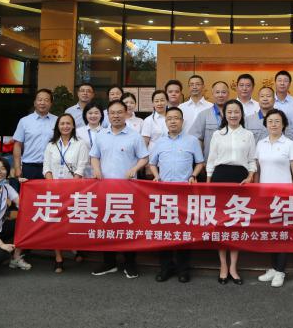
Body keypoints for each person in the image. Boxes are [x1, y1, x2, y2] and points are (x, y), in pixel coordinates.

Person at [90, 100, 149, 279]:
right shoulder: (101, 135)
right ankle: (109, 262)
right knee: (106, 225)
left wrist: (134, 169)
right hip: (105, 188)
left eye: (119, 112)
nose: (116, 116)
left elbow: (144, 157)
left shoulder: (134, 136)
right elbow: (94, 156)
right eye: (112, 113)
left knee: (128, 225)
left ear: (126, 113)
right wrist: (97, 169)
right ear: (108, 115)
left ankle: (130, 263)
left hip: (128, 190)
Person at [149, 107, 204, 284]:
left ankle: (183, 269)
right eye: (169, 119)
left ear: (182, 121)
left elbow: (200, 162)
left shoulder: (192, 141)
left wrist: (193, 175)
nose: (173, 121)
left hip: (184, 193)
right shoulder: (159, 142)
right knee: (164, 231)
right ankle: (166, 268)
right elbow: (152, 163)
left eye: (176, 118)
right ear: (165, 122)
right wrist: (156, 176)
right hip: (164, 193)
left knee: (184, 231)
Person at [206, 99, 256, 285]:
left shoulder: (248, 135)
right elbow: (211, 160)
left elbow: (252, 160)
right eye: (229, 112)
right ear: (224, 114)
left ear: (241, 114)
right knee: (221, 224)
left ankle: (234, 267)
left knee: (236, 223)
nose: (233, 115)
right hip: (220, 178)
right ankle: (223, 266)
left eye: (236, 112)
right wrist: (208, 183)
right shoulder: (217, 134)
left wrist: (250, 176)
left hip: (240, 180)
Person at [256, 109, 293, 288]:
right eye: (270, 121)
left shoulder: (290, 144)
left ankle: (281, 271)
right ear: (266, 124)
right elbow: (258, 171)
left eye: (277, 121)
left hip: (284, 195)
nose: (273, 124)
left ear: (284, 125)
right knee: (270, 234)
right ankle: (273, 268)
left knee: (282, 233)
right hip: (265, 196)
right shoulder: (261, 144)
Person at [42, 113, 89, 273]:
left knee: (71, 221)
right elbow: (46, 167)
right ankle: (58, 258)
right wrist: (51, 184)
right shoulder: (51, 145)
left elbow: (81, 167)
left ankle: (74, 247)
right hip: (54, 191)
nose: (65, 126)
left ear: (73, 126)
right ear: (58, 126)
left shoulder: (80, 144)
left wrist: (71, 187)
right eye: (62, 123)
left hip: (73, 190)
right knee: (56, 223)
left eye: (68, 123)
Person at [13, 88, 58, 180]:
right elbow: (17, 145)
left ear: (51, 104)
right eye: (40, 100)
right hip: (29, 167)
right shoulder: (24, 121)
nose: (42, 103)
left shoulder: (57, 121)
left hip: (51, 167)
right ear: (34, 103)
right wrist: (17, 167)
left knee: (51, 190)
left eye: (46, 100)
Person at [189, 81, 230, 162]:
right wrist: (200, 160)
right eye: (217, 92)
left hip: (231, 161)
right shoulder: (203, 115)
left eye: (223, 92)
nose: (220, 95)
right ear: (212, 94)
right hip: (209, 162)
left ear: (228, 94)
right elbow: (196, 139)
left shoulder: (235, 115)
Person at [76, 101, 104, 178]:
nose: (93, 115)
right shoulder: (78, 132)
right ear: (85, 115)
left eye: (96, 113)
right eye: (90, 113)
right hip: (84, 168)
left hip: (102, 168)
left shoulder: (106, 132)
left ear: (101, 115)